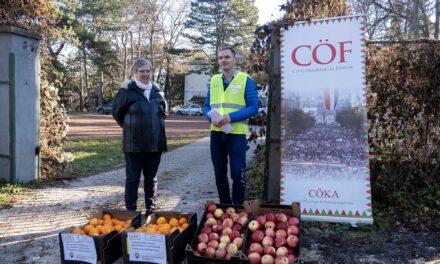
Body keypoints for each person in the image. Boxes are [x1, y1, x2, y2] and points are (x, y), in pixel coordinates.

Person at [204, 47, 259, 204]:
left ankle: (238, 208)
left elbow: (253, 107)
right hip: (216, 133)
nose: (223, 60)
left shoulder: (245, 79)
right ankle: (225, 206)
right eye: (220, 58)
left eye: (227, 57)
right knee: (219, 173)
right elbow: (206, 106)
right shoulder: (214, 80)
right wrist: (210, 118)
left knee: (237, 173)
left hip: (236, 135)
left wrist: (231, 117)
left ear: (234, 59)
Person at [112, 58, 167, 216]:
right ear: (135, 72)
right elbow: (117, 113)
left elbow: (164, 114)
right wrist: (131, 128)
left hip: (155, 144)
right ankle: (131, 211)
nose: (145, 74)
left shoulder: (158, 92)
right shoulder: (126, 92)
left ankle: (151, 209)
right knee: (133, 179)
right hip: (133, 144)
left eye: (148, 71)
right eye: (141, 71)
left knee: (152, 178)